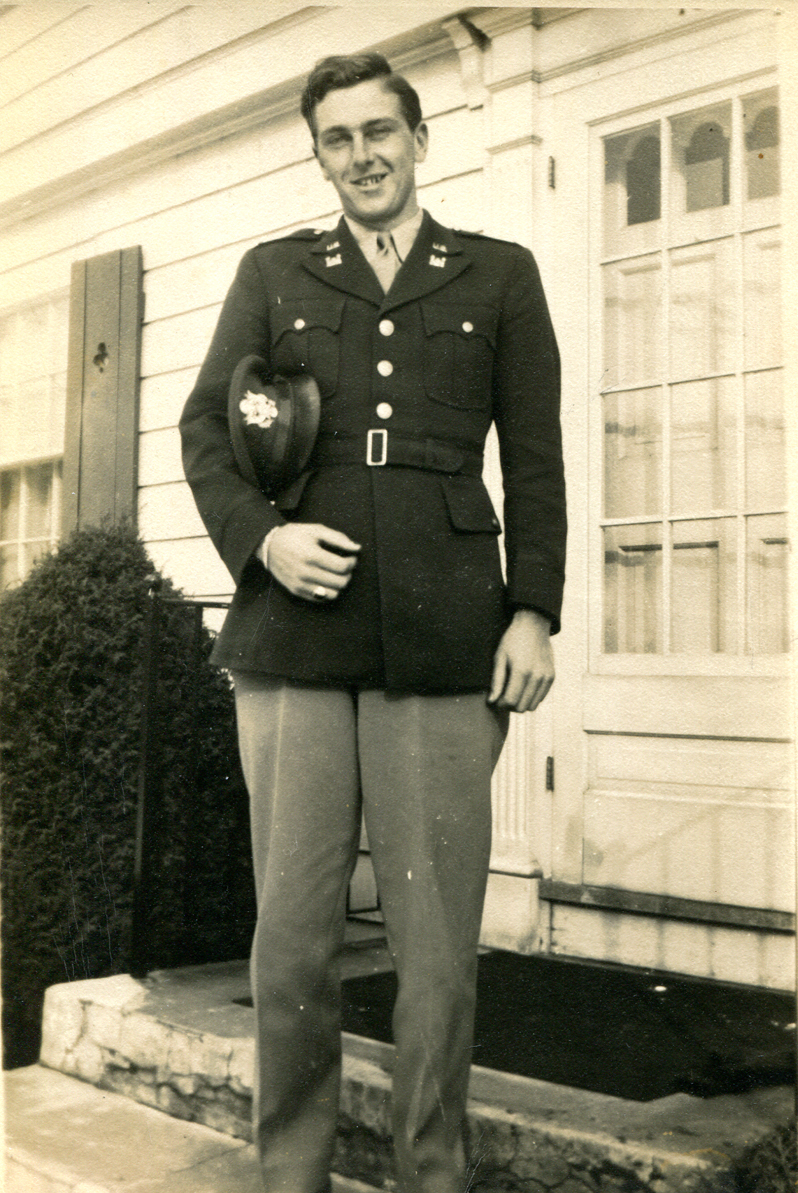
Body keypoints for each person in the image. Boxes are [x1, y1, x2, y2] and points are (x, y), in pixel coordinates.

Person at [180, 51, 566, 1193]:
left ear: (418, 138)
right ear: (318, 154)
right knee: (293, 940)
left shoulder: (497, 275)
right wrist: (263, 537)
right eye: (337, 137)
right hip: (293, 645)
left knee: (436, 949)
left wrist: (532, 610)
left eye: (379, 131)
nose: (361, 155)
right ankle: (290, 1171)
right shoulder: (273, 270)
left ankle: (430, 1174)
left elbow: (534, 462)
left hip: (448, 639)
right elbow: (207, 430)